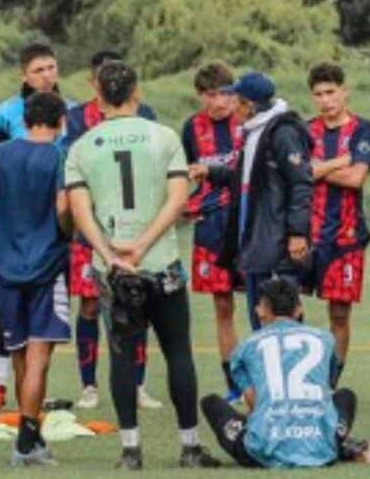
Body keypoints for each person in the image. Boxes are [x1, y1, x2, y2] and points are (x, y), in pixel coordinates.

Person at [66, 61, 218, 469]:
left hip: (113, 269)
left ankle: (131, 451)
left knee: (120, 356)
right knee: (178, 352)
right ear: (138, 93)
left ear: (98, 97)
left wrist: (112, 254)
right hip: (161, 263)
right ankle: (189, 447)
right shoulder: (164, 137)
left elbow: (82, 213)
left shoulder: (82, 146)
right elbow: (177, 200)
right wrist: (144, 244)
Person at [0, 92, 70, 466]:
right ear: (60, 121)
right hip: (47, 265)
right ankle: (26, 442)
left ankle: (34, 439)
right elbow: (62, 206)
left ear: (26, 119)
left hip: (4, 266)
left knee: (18, 354)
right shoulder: (59, 155)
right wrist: (66, 232)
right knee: (40, 354)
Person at [66, 50, 159, 411]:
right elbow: (73, 170)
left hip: (136, 229)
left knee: (138, 304)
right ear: (94, 82)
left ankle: (138, 384)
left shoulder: (146, 115)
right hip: (89, 230)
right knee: (89, 304)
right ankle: (89, 386)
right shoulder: (76, 118)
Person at [0, 43, 67, 407]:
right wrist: (69, 231)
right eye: (39, 69)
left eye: (52, 67)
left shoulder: (73, 112)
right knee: (38, 347)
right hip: (43, 243)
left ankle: (25, 419)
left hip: (11, 248)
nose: (47, 75)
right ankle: (29, 427)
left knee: (23, 343)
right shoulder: (6, 114)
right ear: (24, 74)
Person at [200, 278, 357, 468]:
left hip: (262, 451)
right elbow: (328, 386)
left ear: (260, 310)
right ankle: (336, 442)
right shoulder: (325, 339)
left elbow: (255, 403)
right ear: (299, 310)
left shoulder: (245, 347)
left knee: (210, 402)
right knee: (346, 396)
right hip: (321, 448)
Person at [198, 72, 313, 329]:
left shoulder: (282, 133)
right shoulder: (254, 132)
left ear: (249, 106)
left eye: (234, 100)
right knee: (259, 322)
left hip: (276, 245)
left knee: (283, 325)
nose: (229, 105)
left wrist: (297, 232)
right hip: (254, 244)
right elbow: (248, 180)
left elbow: (301, 183)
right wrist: (210, 172)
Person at [305, 63, 370, 368]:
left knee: (339, 314)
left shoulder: (362, 128)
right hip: (307, 235)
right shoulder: (306, 130)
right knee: (290, 309)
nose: (326, 100)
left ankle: (332, 382)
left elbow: (356, 179)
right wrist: (343, 160)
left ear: (344, 92)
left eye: (331, 92)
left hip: (346, 237)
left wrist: (319, 168)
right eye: (319, 94)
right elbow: (300, 172)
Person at [183, 62, 242, 401]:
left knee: (263, 303)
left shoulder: (247, 123)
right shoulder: (192, 128)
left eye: (225, 93)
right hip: (210, 225)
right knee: (223, 308)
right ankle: (233, 384)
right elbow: (190, 173)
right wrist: (187, 207)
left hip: (246, 223)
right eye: (212, 94)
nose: (219, 101)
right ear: (201, 96)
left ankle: (265, 378)